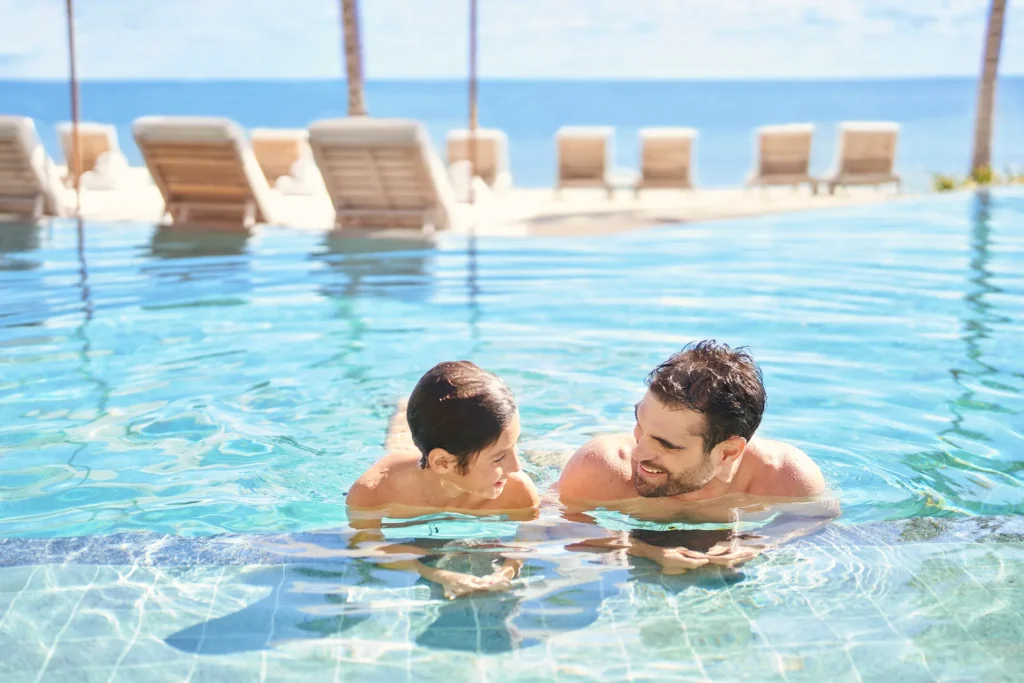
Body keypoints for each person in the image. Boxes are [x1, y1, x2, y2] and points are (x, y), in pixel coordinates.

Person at [557, 340, 836, 572]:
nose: (638, 452)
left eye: (667, 445)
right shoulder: (603, 468)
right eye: (640, 424)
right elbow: (553, 527)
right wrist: (641, 550)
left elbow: (817, 514)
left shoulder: (783, 475)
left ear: (727, 452)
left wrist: (759, 541)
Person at [347, 360, 540, 598]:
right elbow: (367, 545)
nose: (517, 467)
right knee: (399, 440)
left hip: (441, 454)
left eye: (514, 447)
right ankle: (401, 406)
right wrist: (434, 573)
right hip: (411, 463)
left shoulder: (518, 490)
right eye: (499, 458)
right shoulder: (375, 492)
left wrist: (508, 569)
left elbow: (530, 536)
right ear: (442, 463)